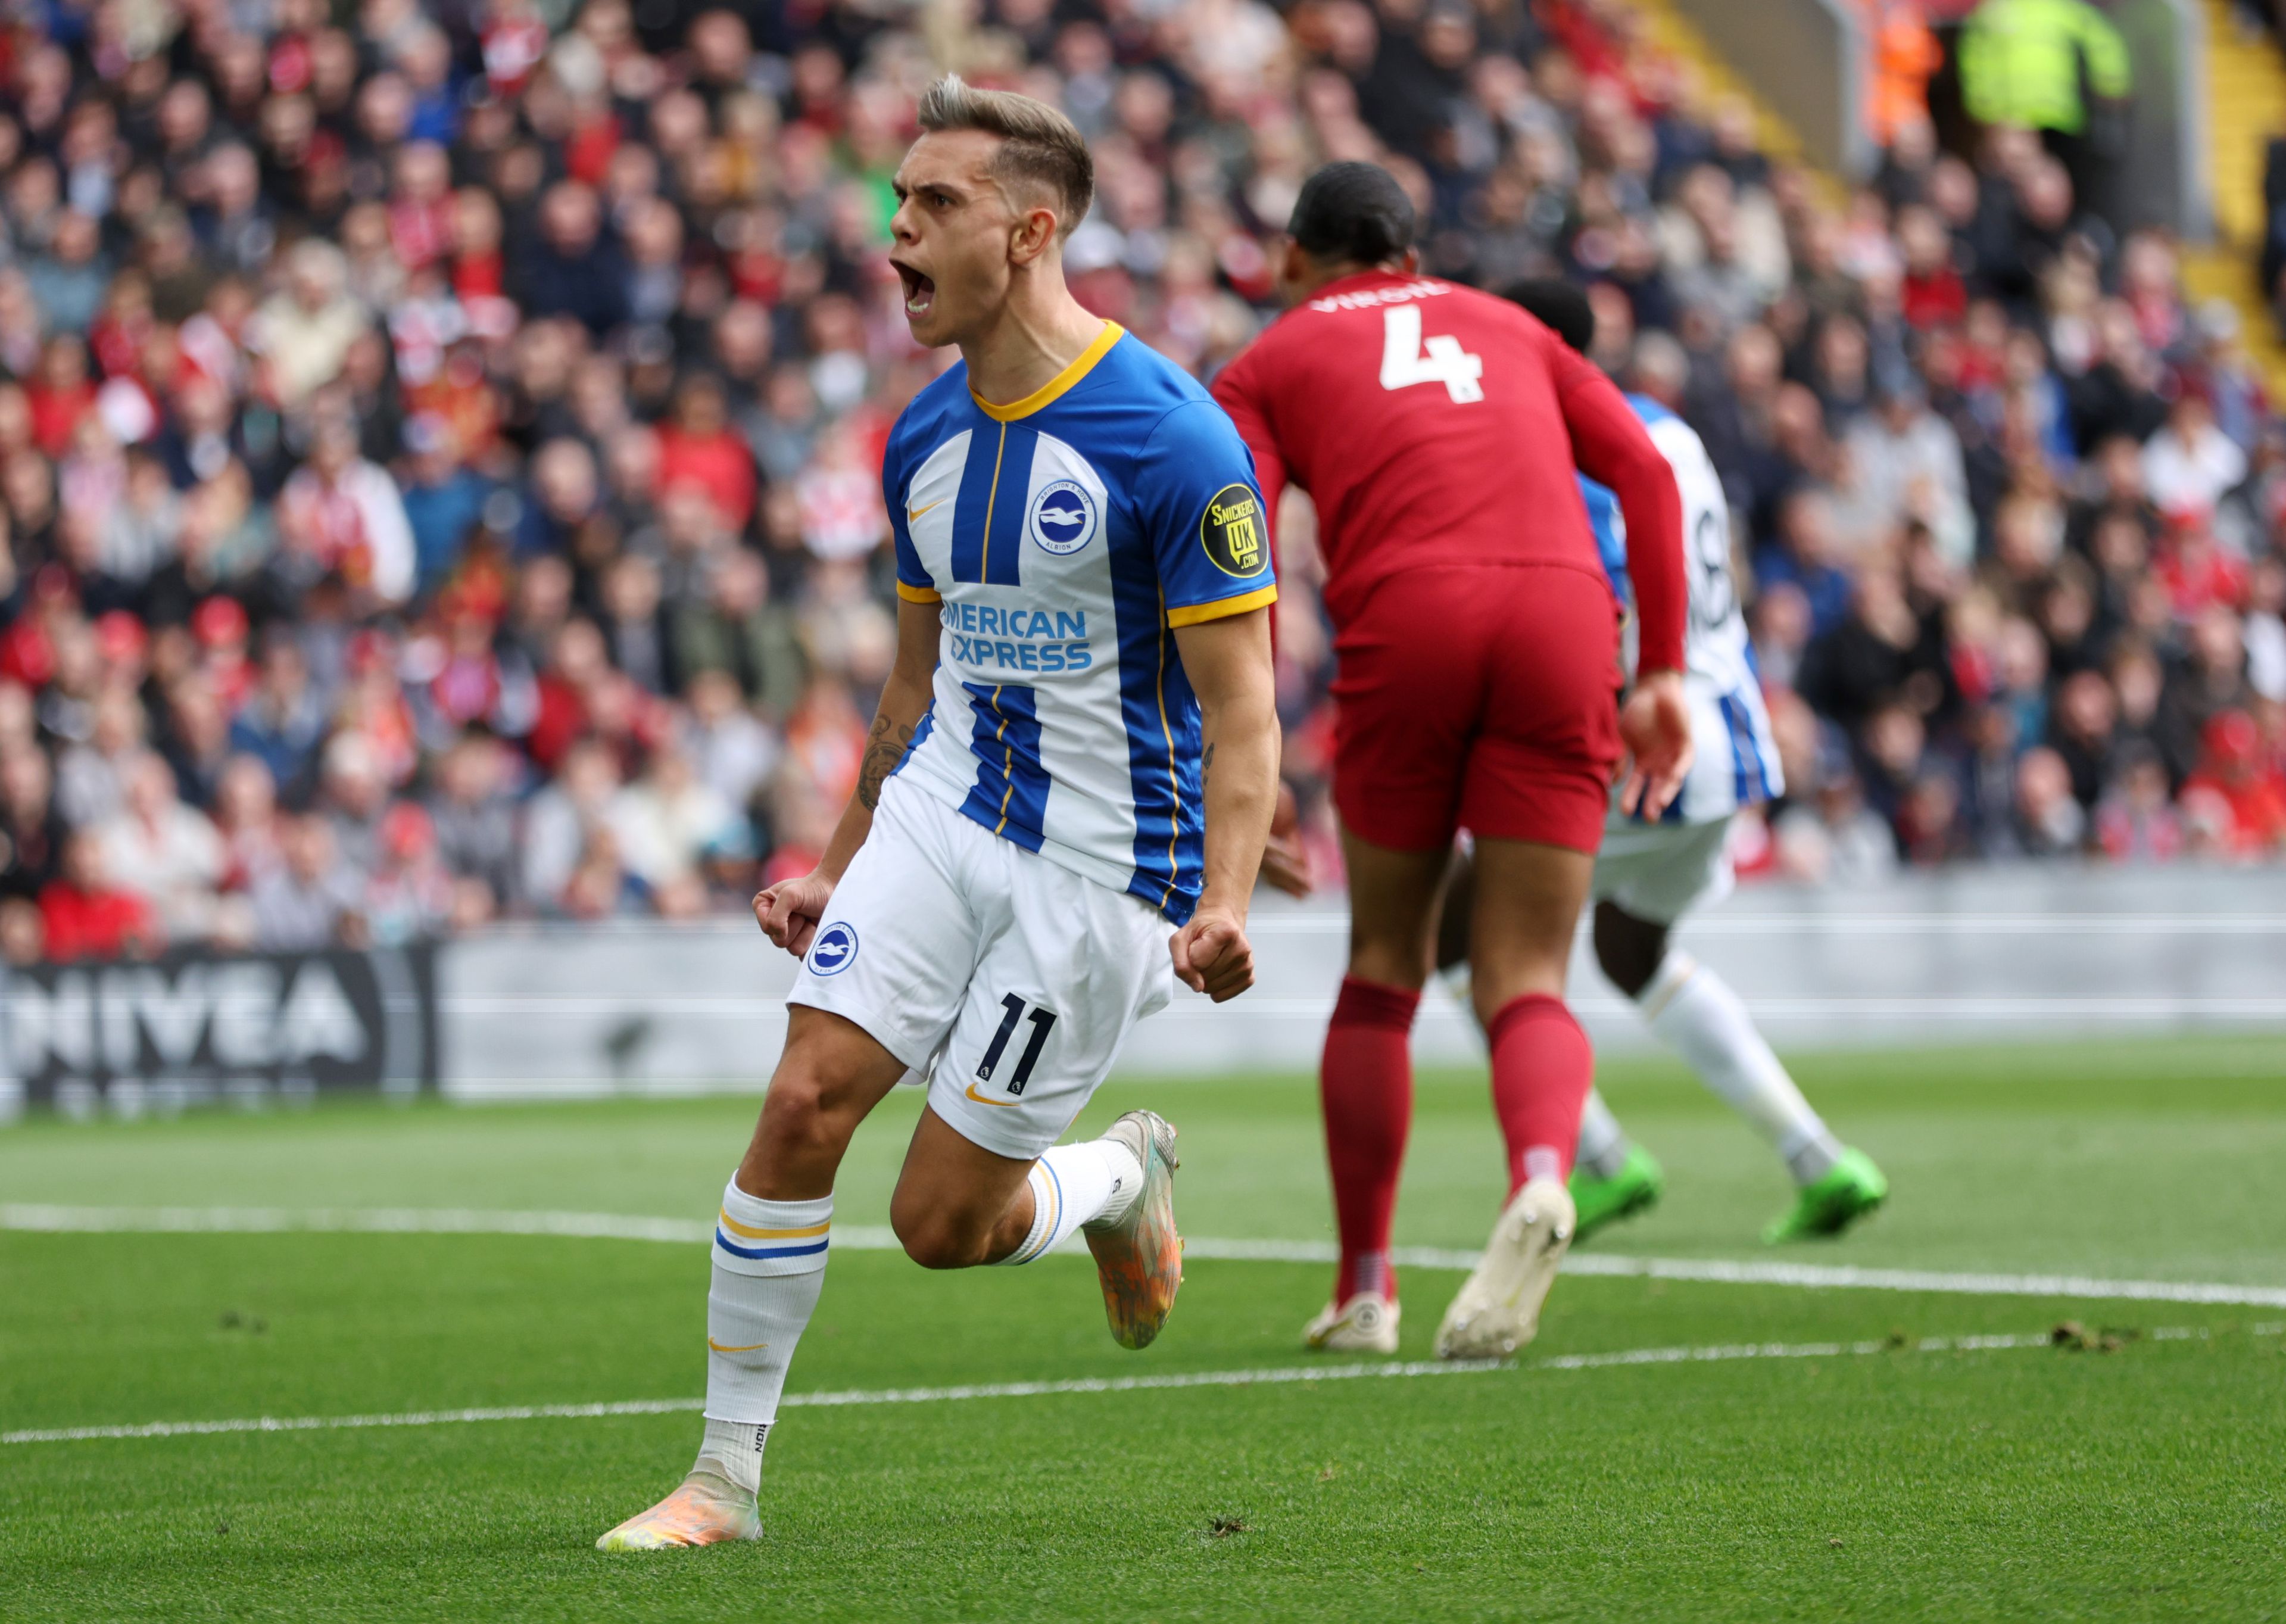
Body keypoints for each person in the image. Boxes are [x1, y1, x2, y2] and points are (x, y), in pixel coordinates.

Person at [600, 78, 1280, 1551]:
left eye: (932, 207)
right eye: (895, 203)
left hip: (1100, 877)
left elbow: (1243, 705)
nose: (894, 233)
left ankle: (1116, 1173)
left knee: (939, 1227)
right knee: (798, 1107)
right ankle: (722, 1484)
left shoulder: (1173, 439)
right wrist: (836, 868)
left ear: (1031, 232)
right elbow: (916, 684)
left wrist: (1223, 897)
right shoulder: (920, 440)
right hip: (940, 813)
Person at [1211, 163, 1693, 1361]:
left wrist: (1252, 737)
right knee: (1529, 972)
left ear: (1290, 259)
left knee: (1384, 966)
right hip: (1565, 620)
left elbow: (1241, 539)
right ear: (1413, 258)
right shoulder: (1514, 324)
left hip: (1408, 615)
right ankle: (1540, 1171)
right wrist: (1664, 671)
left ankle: (1366, 1287)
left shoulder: (1267, 362)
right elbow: (1642, 469)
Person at [1440, 280, 1888, 1251]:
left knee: (1459, 933)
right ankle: (1820, 1160)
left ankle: (1583, 1170)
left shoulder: (1561, 451)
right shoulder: (1664, 428)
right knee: (1630, 950)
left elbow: (1600, 618)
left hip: (1639, 751)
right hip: (1728, 747)